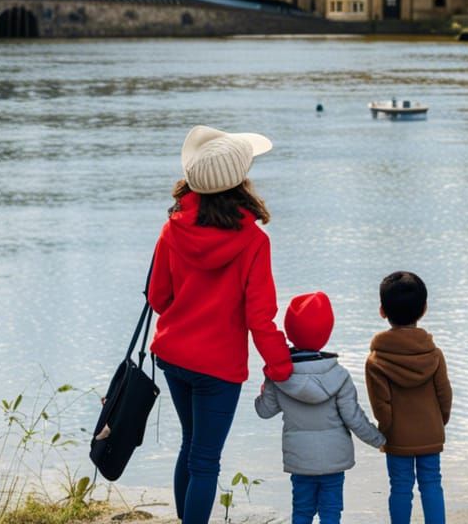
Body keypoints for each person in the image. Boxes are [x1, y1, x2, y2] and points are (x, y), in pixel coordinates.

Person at [147, 125, 293, 524]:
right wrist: (280, 367)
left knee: (190, 448)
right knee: (206, 461)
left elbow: (158, 298)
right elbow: (259, 318)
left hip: (173, 356)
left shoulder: (171, 229)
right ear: (241, 181)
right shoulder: (253, 241)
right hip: (218, 368)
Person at [255, 291, 385, 524]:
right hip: (334, 460)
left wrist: (266, 384)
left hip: (300, 460)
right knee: (331, 512)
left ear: (291, 331)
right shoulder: (339, 376)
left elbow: (264, 411)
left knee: (302, 512)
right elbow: (354, 418)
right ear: (326, 332)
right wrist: (380, 440)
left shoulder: (280, 376)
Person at [366, 271, 452, 524]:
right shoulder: (434, 354)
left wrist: (387, 431)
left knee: (400, 487)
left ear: (382, 311)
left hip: (397, 436)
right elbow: (444, 394)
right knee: (432, 484)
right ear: (424, 309)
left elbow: (381, 405)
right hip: (430, 431)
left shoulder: (376, 361)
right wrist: (438, 422)